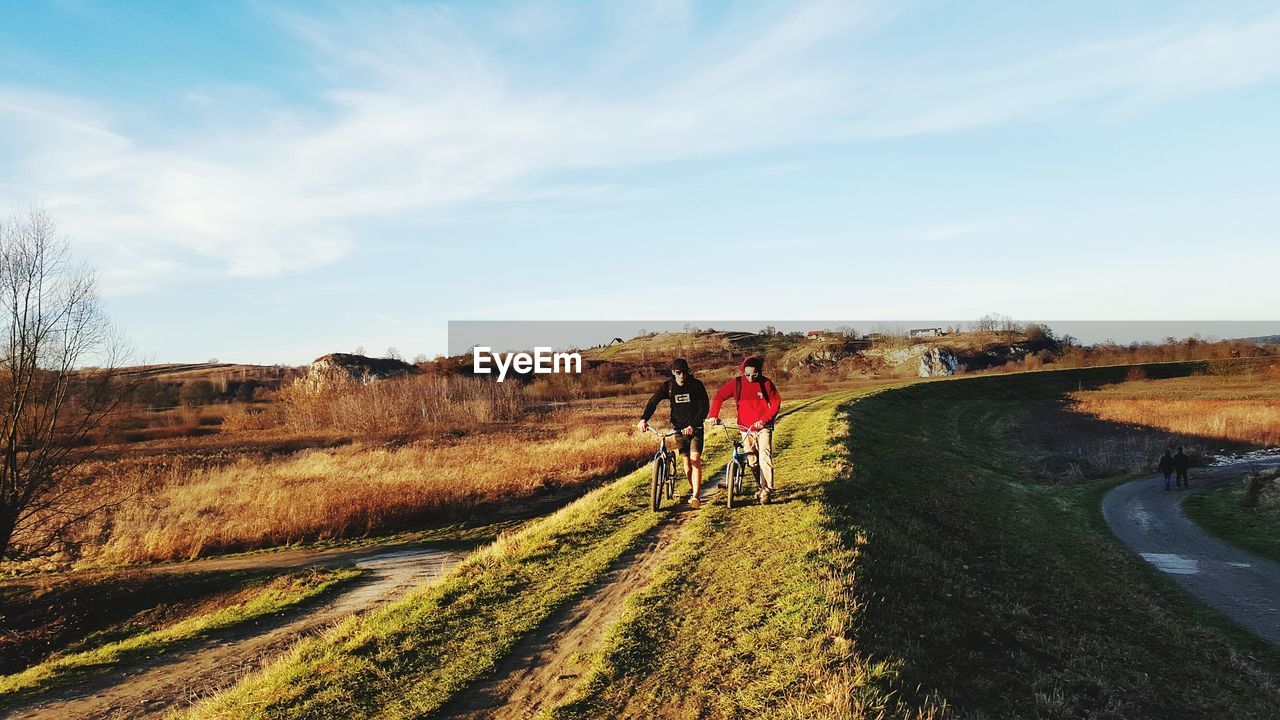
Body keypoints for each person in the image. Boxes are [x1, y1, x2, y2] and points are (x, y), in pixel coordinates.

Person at [708, 356, 782, 504]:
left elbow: (776, 403)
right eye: (747, 374)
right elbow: (719, 396)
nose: (750, 378)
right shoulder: (736, 384)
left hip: (763, 427)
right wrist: (713, 415)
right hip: (745, 428)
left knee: (764, 456)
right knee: (752, 461)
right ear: (743, 372)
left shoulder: (766, 383)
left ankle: (767, 490)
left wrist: (764, 420)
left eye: (754, 375)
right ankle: (759, 486)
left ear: (759, 372)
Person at [638, 358, 709, 508]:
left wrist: (693, 425)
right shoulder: (668, 387)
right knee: (687, 463)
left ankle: (696, 496)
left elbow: (704, 407)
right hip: (679, 430)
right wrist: (643, 419)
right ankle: (694, 490)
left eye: (684, 372)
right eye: (679, 373)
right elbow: (652, 402)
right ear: (673, 373)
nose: (682, 375)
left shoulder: (696, 385)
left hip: (696, 429)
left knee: (695, 460)